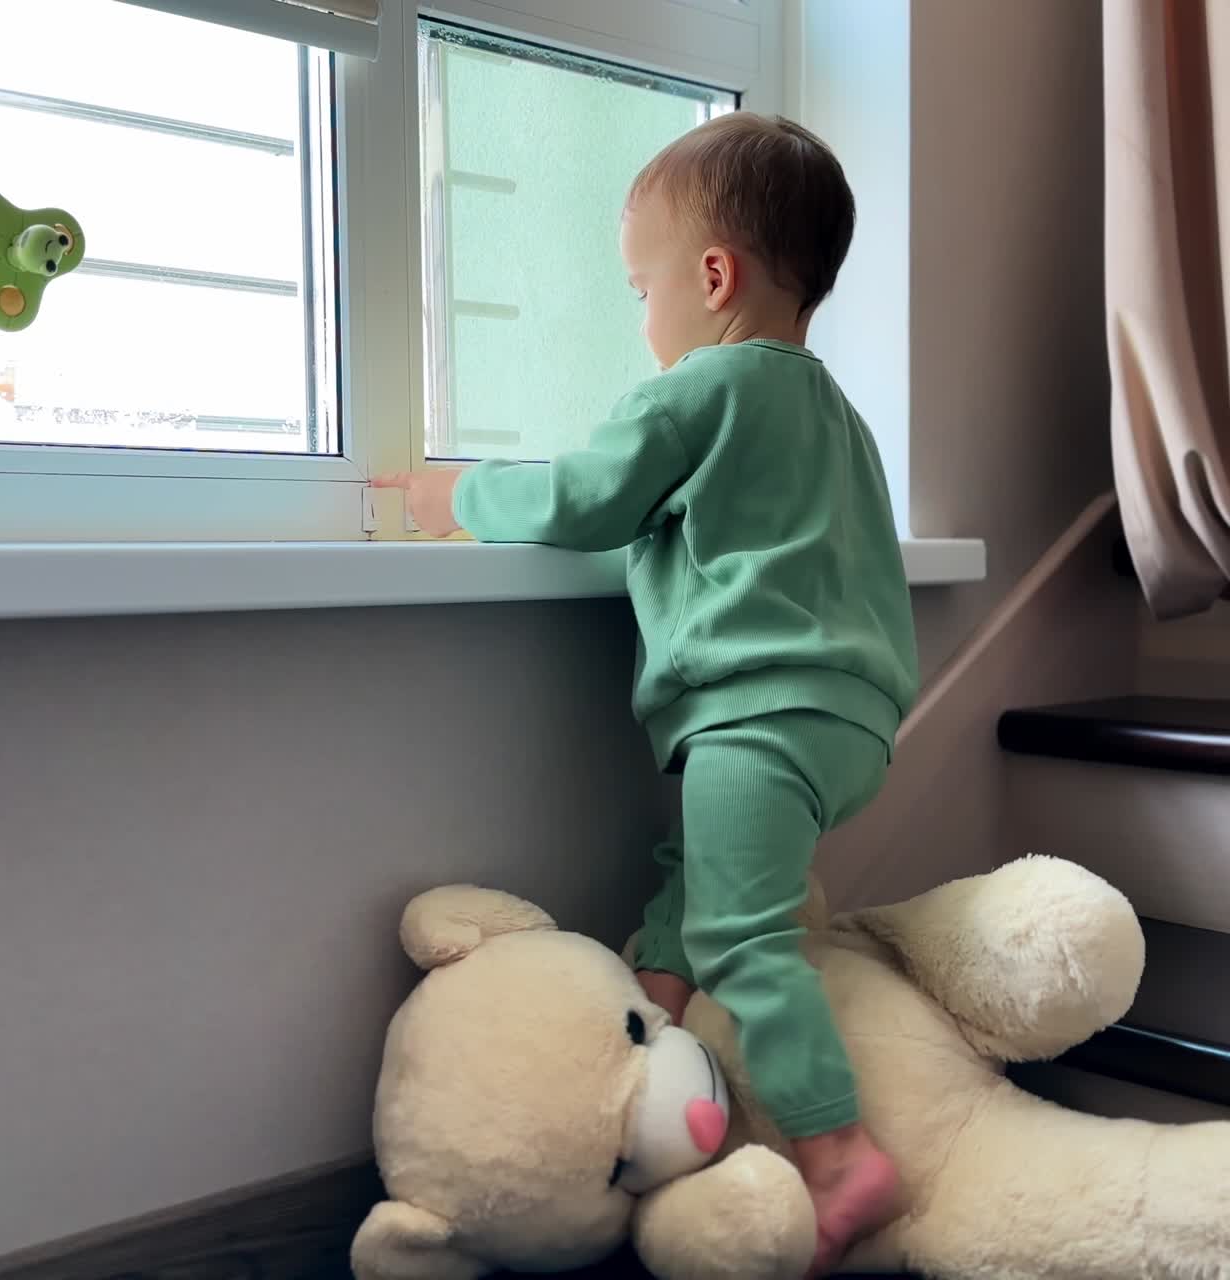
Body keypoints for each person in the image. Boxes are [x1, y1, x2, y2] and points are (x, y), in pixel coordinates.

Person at [376, 112, 919, 1273]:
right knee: (696, 875)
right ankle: (655, 1011)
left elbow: (585, 499)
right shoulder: (838, 417)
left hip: (756, 712)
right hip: (851, 719)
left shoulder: (699, 389)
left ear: (711, 277)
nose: (642, 315)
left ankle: (839, 1154)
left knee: (746, 933)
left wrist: (457, 498)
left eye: (640, 287)